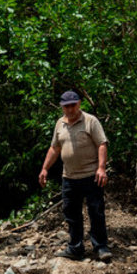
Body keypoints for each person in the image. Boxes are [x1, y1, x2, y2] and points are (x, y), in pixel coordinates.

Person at [38, 90, 111, 262]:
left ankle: (100, 247)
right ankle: (76, 247)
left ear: (79, 104)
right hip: (69, 177)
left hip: (91, 175)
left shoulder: (90, 121)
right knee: (71, 213)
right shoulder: (59, 124)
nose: (70, 109)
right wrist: (45, 168)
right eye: (66, 106)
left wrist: (101, 168)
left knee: (96, 212)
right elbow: (55, 148)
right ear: (62, 107)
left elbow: (102, 144)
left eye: (73, 105)